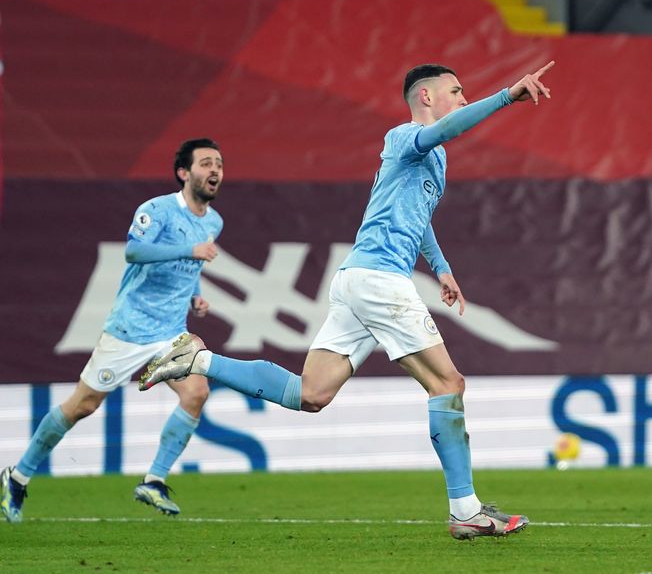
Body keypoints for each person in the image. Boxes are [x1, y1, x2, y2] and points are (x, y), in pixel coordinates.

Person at [138, 62, 555, 539]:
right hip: (379, 281)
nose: (463, 98)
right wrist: (505, 97)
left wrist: (440, 267)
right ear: (425, 98)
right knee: (448, 385)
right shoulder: (403, 137)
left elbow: (419, 216)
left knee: (310, 394)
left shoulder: (434, 159)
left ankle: (200, 359)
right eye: (456, 91)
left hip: (360, 280)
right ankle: (465, 511)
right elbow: (452, 127)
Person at [0, 138, 225, 522]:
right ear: (184, 173)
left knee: (196, 392)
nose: (215, 170)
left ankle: (153, 481)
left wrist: (196, 296)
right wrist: (189, 252)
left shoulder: (214, 222)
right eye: (206, 163)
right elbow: (134, 252)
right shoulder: (157, 210)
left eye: (219, 164)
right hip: (129, 329)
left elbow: (191, 269)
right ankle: (17, 477)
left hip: (171, 333)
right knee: (82, 406)